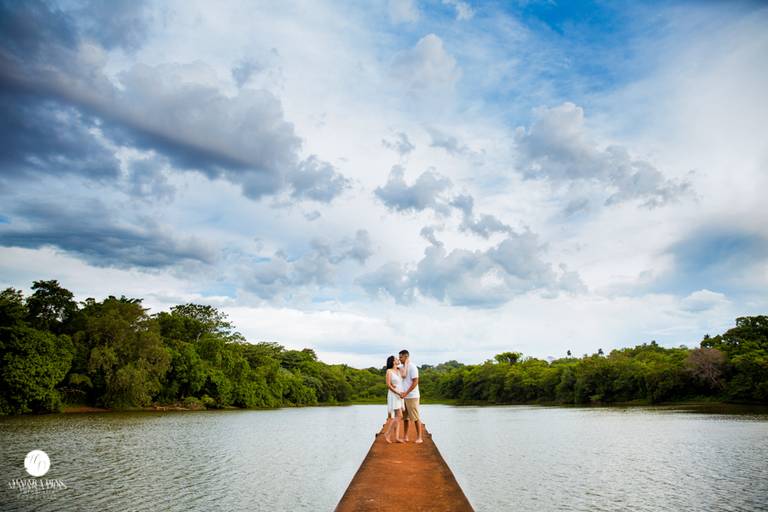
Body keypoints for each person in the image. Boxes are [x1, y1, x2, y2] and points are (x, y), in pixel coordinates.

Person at [399, 349, 423, 443]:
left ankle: (419, 437)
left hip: (412, 396)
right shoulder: (401, 367)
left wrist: (406, 393)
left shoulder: (413, 367)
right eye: (399, 357)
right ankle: (405, 436)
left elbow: (415, 382)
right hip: (403, 396)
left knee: (415, 417)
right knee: (405, 418)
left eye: (401, 357)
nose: (399, 359)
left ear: (406, 357)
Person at [383, 355, 405, 443]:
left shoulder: (399, 370)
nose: (398, 359)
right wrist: (397, 392)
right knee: (399, 416)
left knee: (398, 417)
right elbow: (388, 385)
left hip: (400, 394)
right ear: (392, 361)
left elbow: (405, 373)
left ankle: (397, 437)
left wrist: (401, 393)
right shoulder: (389, 371)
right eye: (396, 359)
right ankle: (387, 433)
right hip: (394, 394)